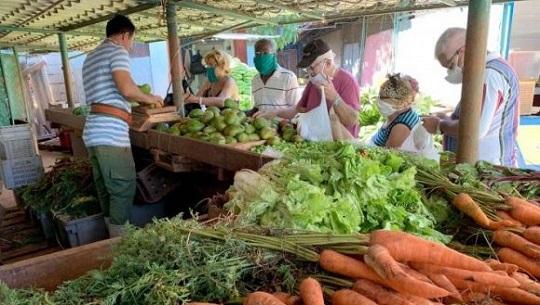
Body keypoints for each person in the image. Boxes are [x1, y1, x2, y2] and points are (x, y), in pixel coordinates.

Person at [82, 14, 163, 237]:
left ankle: (110, 241)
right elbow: (126, 89)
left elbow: (123, 86)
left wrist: (138, 94)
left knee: (106, 191)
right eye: (132, 40)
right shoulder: (117, 51)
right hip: (110, 133)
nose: (130, 46)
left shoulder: (92, 56)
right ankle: (121, 246)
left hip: (93, 130)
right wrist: (150, 97)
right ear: (125, 35)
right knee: (122, 188)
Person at [422, 27, 520, 167]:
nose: (451, 71)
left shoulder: (489, 75)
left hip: (488, 170)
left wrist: (439, 125)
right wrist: (449, 117)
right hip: (481, 168)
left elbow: (475, 128)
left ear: (462, 50)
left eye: (450, 65)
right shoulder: (489, 71)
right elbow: (479, 116)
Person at [255, 39, 360, 138]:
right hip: (317, 145)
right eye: (307, 68)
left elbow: (351, 120)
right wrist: (275, 112)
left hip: (340, 148)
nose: (309, 72)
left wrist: (335, 97)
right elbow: (297, 109)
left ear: (328, 63)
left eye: (312, 67)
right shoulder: (313, 82)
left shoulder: (347, 81)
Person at [249, 38, 300, 114]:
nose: (261, 56)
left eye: (265, 53)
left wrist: (276, 114)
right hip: (260, 125)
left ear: (274, 54)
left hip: (281, 125)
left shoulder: (288, 77)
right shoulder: (255, 79)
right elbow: (258, 107)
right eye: (258, 53)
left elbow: (296, 108)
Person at [371, 73, 421, 148]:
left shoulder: (403, 124)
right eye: (379, 95)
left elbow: (388, 156)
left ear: (399, 102)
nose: (379, 100)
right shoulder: (394, 115)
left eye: (383, 97)